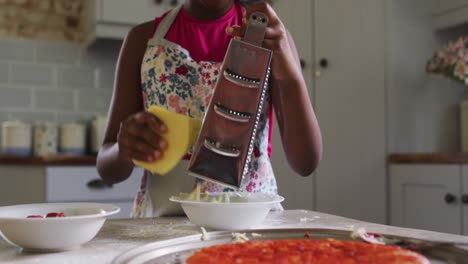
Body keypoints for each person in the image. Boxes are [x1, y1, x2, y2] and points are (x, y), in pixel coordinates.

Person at [97, 0, 322, 218]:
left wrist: (291, 79)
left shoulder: (271, 40)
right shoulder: (141, 41)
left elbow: (306, 163)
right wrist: (123, 148)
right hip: (163, 225)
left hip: (250, 222)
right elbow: (108, 168)